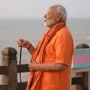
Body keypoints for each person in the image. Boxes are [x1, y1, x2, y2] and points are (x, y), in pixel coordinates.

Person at [17, 4, 74, 90]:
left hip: (54, 86)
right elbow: (40, 58)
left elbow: (61, 65)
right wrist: (29, 46)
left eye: (47, 14)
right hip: (43, 85)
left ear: (57, 17)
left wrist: (36, 67)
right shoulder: (50, 33)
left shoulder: (63, 34)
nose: (44, 16)